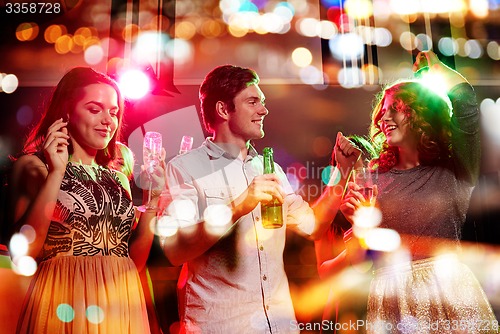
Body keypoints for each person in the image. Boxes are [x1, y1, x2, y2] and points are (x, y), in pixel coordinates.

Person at [158, 64, 360, 333]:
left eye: (262, 102)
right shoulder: (185, 168)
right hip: (220, 326)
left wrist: (342, 171)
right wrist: (239, 206)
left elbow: (313, 226)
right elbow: (175, 251)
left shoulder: (270, 169)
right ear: (222, 110)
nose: (263, 110)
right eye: (252, 102)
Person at [340, 51, 497, 332]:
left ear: (421, 114)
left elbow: (466, 103)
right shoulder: (373, 177)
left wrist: (438, 68)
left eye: (395, 108)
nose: (383, 118)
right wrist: (358, 224)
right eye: (382, 110)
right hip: (390, 295)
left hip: (449, 292)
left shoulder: (455, 167)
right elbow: (364, 257)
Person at [9, 67, 163, 333]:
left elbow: (134, 262)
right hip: (65, 297)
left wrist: (153, 200)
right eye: (95, 110)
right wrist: (56, 172)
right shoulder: (34, 167)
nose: (108, 121)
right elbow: (24, 252)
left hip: (121, 299)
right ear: (67, 111)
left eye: (113, 113)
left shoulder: (118, 178)